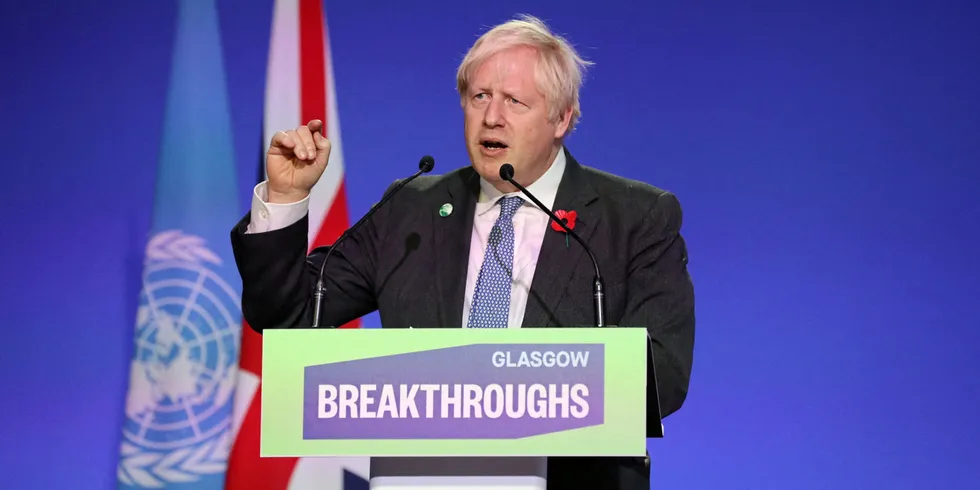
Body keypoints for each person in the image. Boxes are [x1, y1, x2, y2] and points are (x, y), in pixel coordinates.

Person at [230, 14, 695, 490]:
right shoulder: (411, 209)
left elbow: (665, 374)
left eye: (514, 101)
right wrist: (286, 199)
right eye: (480, 98)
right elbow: (288, 315)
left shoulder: (634, 217)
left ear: (562, 118)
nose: (492, 117)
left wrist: (511, 390)